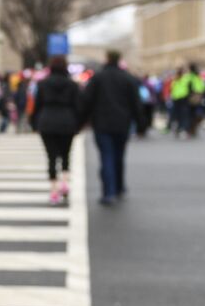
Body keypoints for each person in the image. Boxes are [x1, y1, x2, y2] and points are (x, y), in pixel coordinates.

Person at [80, 50, 142, 206]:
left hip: (102, 123)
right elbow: (136, 103)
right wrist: (141, 124)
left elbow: (87, 100)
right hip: (123, 123)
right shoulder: (128, 78)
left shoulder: (98, 78)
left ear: (107, 59)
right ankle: (120, 187)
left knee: (107, 157)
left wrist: (81, 120)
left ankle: (109, 192)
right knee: (119, 156)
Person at [29, 55, 80, 206]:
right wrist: (79, 123)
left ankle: (53, 191)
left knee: (51, 156)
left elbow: (37, 105)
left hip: (47, 121)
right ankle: (64, 182)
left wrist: (34, 123)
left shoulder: (43, 84)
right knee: (66, 154)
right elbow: (78, 106)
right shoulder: (72, 85)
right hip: (67, 121)